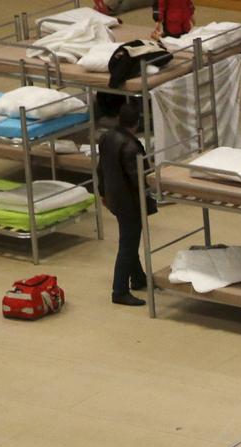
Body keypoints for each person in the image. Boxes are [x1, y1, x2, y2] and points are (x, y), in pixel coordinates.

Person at [98, 103, 149, 306]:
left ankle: (138, 278)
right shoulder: (131, 147)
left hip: (114, 196)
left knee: (130, 239)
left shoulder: (106, 137)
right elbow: (138, 179)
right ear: (137, 123)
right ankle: (119, 290)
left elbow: (101, 168)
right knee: (128, 244)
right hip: (129, 202)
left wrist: (102, 192)